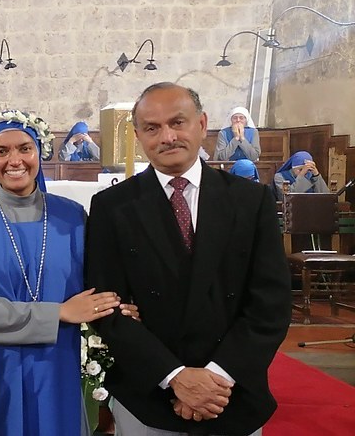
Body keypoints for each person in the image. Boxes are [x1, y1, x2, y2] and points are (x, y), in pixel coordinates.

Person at [86, 82, 290, 435]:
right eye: (152, 128)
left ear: (202, 124)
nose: (167, 136)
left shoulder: (250, 201)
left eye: (177, 122)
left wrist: (214, 379)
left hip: (231, 392)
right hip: (149, 391)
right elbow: (107, 308)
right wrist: (175, 377)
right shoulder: (111, 207)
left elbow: (270, 303)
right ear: (138, 135)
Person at [0, 111, 137, 436]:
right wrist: (60, 312)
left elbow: (98, 283)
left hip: (56, 361)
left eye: (24, 148)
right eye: (1, 151)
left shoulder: (73, 217)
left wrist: (121, 307)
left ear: (39, 152)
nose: (14, 160)